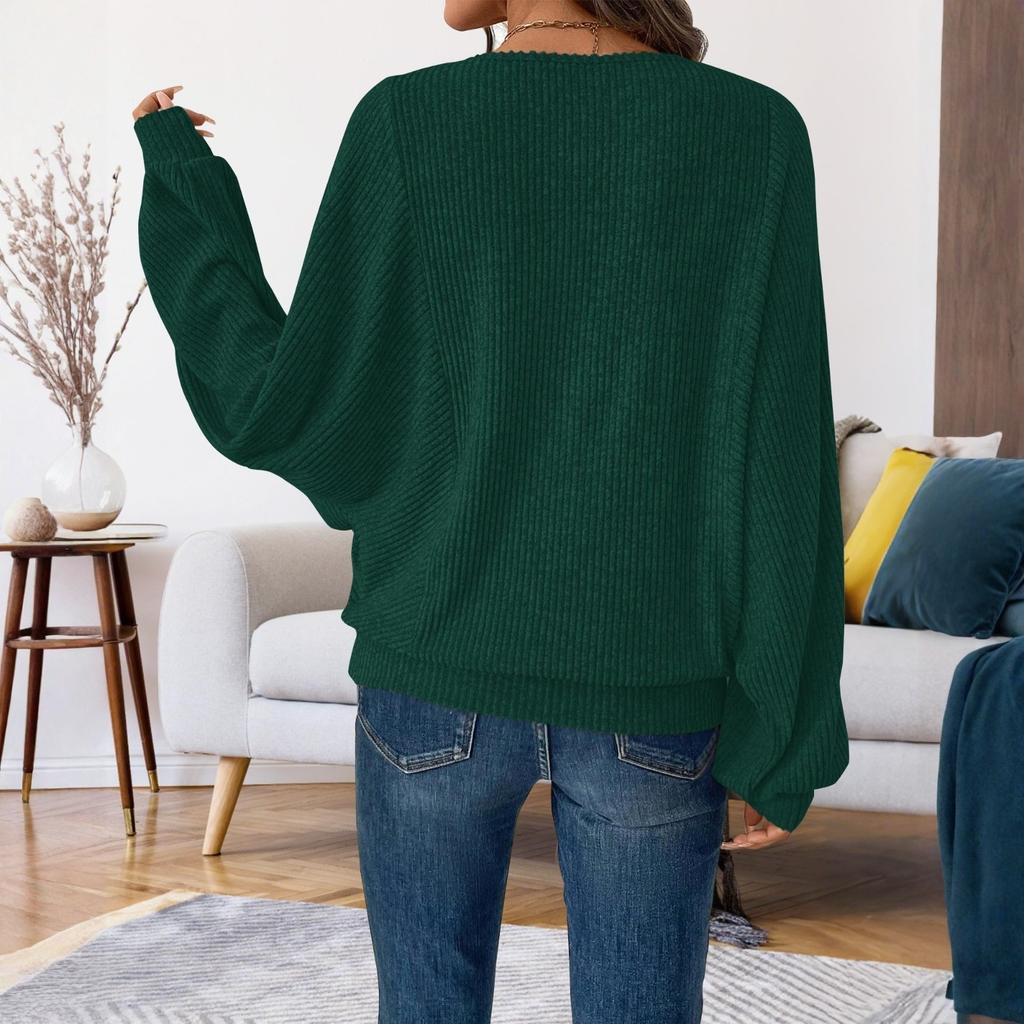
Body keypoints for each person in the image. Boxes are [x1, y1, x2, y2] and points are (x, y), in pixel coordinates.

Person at [131, 1, 848, 1020]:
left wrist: (184, 188)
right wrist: (782, 721)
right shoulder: (755, 131)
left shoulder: (406, 121)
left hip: (434, 674)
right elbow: (778, 452)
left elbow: (294, 400)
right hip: (654, 689)